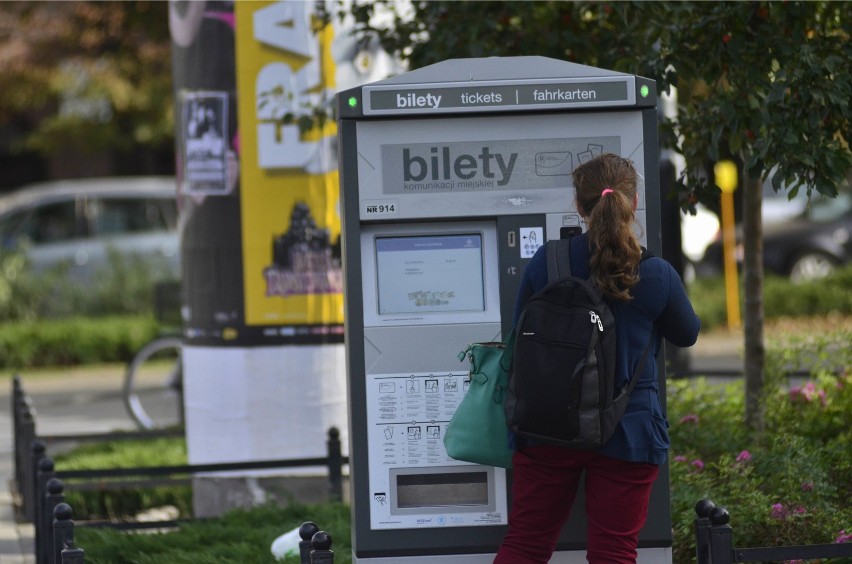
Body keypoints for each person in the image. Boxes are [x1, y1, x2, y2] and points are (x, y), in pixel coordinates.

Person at [494, 153, 701, 564]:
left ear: (579, 206)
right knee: (614, 552)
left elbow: (519, 334)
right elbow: (687, 334)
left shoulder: (547, 261)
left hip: (548, 425)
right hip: (628, 431)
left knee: (526, 545)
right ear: (634, 203)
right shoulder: (655, 274)